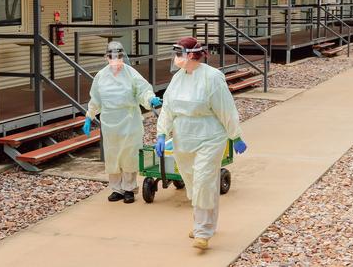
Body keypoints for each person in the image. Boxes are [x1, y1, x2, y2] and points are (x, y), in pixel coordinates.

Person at [155, 37, 247, 250]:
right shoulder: (178, 78)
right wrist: (161, 134)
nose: (176, 59)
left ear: (191, 54)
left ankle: (203, 232)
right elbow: (168, 108)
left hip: (209, 136)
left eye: (179, 54)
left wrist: (236, 136)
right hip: (183, 137)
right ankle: (202, 224)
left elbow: (226, 109)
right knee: (193, 181)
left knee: (204, 180)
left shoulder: (212, 78)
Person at [83, 41, 162, 204]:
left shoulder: (131, 74)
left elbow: (143, 91)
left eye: (118, 57)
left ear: (122, 57)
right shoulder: (101, 76)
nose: (115, 61)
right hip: (109, 122)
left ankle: (129, 189)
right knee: (112, 155)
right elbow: (96, 98)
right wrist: (89, 116)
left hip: (129, 120)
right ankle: (116, 189)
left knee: (129, 155)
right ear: (106, 58)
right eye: (112, 57)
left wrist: (150, 99)